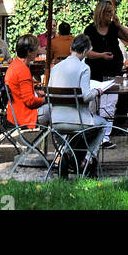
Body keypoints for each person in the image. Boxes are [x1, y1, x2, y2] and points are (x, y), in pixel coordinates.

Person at [47, 34, 106, 172]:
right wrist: (97, 91)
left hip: (56, 120)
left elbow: (50, 94)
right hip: (78, 120)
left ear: (70, 48)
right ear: (85, 52)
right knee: (103, 124)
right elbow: (85, 97)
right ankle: (87, 159)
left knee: (76, 133)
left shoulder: (56, 68)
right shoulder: (83, 68)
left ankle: (66, 154)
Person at [83, 0, 128, 145]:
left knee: (110, 104)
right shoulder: (90, 30)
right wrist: (101, 55)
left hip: (113, 70)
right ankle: (93, 134)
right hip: (95, 70)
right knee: (93, 103)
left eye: (112, 12)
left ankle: (105, 137)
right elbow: (86, 52)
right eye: (108, 12)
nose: (111, 15)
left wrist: (119, 26)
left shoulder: (113, 28)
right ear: (101, 13)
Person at [5, 35, 50, 129]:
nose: (38, 52)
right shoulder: (23, 70)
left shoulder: (14, 65)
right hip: (26, 116)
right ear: (29, 52)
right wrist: (47, 100)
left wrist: (36, 93)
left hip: (14, 114)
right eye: (36, 49)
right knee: (55, 108)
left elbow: (20, 93)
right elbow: (30, 101)